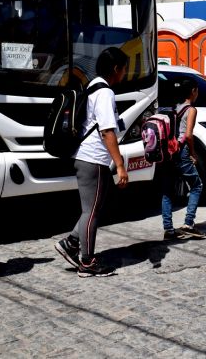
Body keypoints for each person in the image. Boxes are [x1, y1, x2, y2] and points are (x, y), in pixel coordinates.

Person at [54, 47, 130, 277]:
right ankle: (86, 262)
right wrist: (119, 165)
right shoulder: (105, 92)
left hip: (87, 156)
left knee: (94, 208)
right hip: (93, 158)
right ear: (116, 69)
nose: (125, 74)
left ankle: (71, 243)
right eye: (125, 69)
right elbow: (107, 131)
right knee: (91, 211)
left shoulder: (92, 85)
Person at [161, 78, 205, 240]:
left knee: (167, 190)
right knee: (196, 185)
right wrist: (193, 153)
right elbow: (188, 135)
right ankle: (188, 224)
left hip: (169, 151)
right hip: (181, 152)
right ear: (193, 91)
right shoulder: (191, 110)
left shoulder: (174, 108)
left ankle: (169, 229)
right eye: (197, 90)